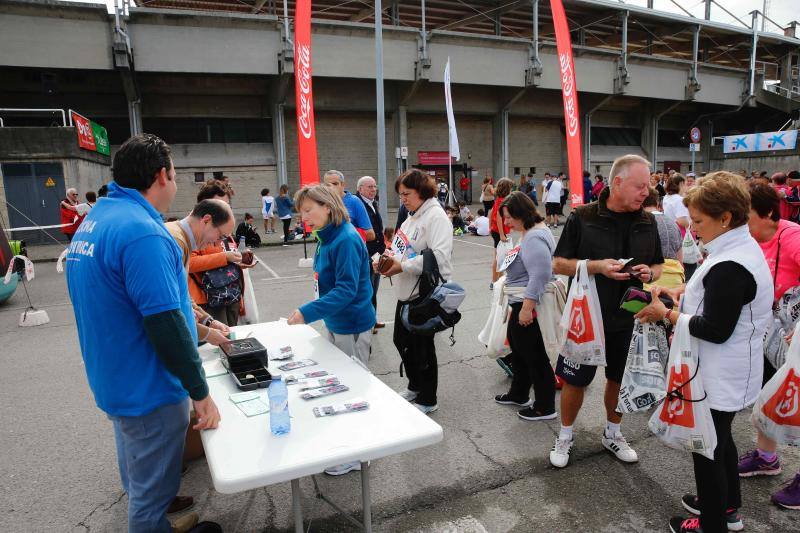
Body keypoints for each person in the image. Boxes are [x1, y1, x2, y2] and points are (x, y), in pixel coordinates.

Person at [65, 134, 220, 532]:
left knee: (137, 468)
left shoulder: (96, 220)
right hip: (147, 383)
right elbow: (166, 323)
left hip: (114, 375)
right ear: (160, 176)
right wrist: (200, 394)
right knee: (148, 502)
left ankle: (157, 510)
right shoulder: (144, 234)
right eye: (173, 174)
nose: (175, 184)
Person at [635, 171, 773, 533]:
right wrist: (685, 296)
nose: (693, 229)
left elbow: (715, 329)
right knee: (720, 441)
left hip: (717, 373)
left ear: (725, 218)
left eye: (698, 221)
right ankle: (727, 506)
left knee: (706, 450)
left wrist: (667, 313)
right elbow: (719, 300)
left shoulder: (731, 264)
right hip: (732, 370)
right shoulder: (738, 248)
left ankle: (713, 522)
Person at [550, 154, 664, 469]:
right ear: (617, 183)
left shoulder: (647, 220)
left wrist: (649, 274)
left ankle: (613, 433)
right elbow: (558, 263)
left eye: (649, 185)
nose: (647, 192)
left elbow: (658, 265)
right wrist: (596, 267)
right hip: (586, 317)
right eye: (640, 186)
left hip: (629, 315)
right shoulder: (583, 216)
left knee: (618, 378)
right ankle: (565, 435)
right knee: (575, 380)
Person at [287, 185, 375, 475]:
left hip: (352, 323)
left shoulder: (346, 239)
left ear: (328, 206)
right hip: (336, 321)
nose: (305, 217)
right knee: (339, 387)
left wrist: (306, 313)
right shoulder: (326, 237)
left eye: (309, 210)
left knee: (354, 389)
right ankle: (346, 446)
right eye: (302, 213)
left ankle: (359, 453)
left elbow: (347, 290)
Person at [737, 181, 800, 510]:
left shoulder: (792, 238)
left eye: (746, 216)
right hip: (769, 335)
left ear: (769, 214)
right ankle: (765, 457)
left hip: (795, 338)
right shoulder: (749, 239)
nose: (741, 223)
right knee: (766, 398)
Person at [378, 169, 453, 414]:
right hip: (406, 291)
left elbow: (440, 258)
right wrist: (385, 260)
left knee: (422, 347)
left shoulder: (436, 217)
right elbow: (398, 247)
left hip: (423, 293)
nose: (403, 199)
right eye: (400, 195)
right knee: (401, 340)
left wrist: (402, 265)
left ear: (422, 191)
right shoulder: (412, 216)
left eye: (406, 194)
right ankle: (414, 385)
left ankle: (428, 397)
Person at [493, 191, 557, 421]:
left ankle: (544, 406)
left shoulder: (533, 238)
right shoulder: (532, 232)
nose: (506, 222)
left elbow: (540, 274)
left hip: (526, 303)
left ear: (521, 213)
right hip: (520, 301)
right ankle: (519, 393)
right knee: (520, 352)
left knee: (535, 356)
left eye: (509, 217)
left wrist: (528, 308)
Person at [166, 199, 236, 348]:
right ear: (206, 220)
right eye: (220, 236)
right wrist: (206, 333)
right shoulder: (176, 241)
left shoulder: (179, 237)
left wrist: (208, 321)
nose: (217, 244)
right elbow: (167, 307)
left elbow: (182, 293)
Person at [355, 176, 386, 331]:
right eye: (370, 187)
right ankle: (367, 322)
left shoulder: (373, 203)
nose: (373, 189)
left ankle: (372, 319)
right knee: (367, 290)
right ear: (360, 189)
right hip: (366, 255)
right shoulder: (357, 204)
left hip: (377, 254)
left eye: (375, 186)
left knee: (374, 289)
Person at [642, 187, 684, 288]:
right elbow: (680, 259)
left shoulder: (640, 222)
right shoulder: (673, 223)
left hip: (649, 283)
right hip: (675, 281)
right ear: (657, 204)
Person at [323, 170, 375, 243]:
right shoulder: (323, 203)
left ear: (343, 185)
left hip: (347, 250)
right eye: (327, 185)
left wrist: (343, 233)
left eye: (335, 184)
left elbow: (370, 235)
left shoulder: (354, 201)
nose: (331, 188)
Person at [663, 174, 696, 279]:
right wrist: (693, 223)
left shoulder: (667, 197)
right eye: (685, 183)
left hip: (671, 231)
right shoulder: (679, 200)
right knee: (689, 261)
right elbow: (681, 220)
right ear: (680, 184)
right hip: (682, 233)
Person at [490, 178, 514, 284]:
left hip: (496, 230)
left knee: (499, 256)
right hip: (500, 232)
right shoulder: (503, 201)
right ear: (507, 189)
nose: (511, 190)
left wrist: (490, 227)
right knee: (499, 257)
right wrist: (501, 234)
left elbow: (491, 213)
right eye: (511, 188)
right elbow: (499, 218)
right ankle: (496, 280)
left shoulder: (498, 200)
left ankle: (497, 279)